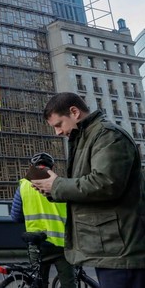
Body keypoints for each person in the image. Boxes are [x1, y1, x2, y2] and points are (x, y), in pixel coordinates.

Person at [31, 92, 145, 288]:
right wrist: (51, 189)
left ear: (74, 112)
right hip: (111, 248)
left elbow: (106, 183)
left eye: (59, 124)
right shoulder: (86, 137)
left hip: (121, 251)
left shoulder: (108, 135)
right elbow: (89, 185)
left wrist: (57, 185)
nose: (58, 132)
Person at [10, 152, 76, 287]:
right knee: (68, 283)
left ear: (32, 167)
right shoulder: (62, 186)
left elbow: (15, 216)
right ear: (51, 168)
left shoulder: (23, 187)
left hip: (37, 242)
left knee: (39, 282)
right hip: (61, 243)